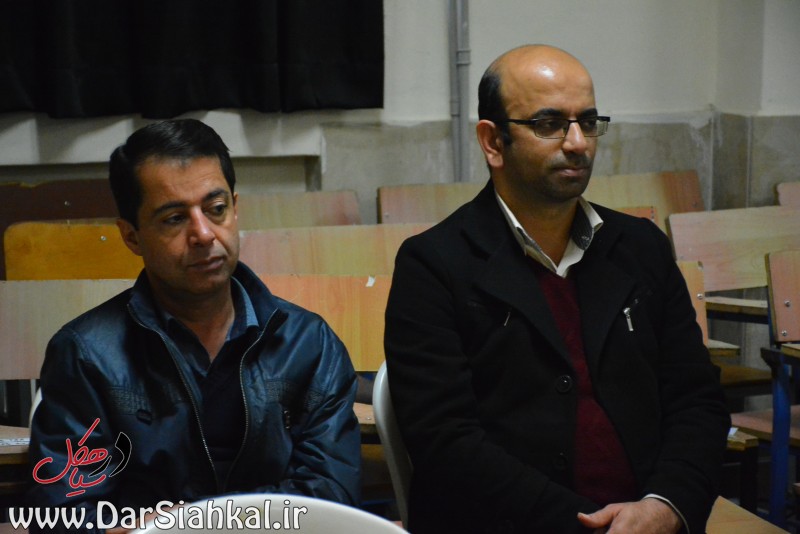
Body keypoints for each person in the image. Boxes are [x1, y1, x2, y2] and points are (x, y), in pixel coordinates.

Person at [384, 45, 730, 533]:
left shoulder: (640, 247)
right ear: (493, 141)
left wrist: (666, 505)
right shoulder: (434, 264)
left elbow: (697, 400)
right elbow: (445, 441)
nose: (578, 143)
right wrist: (587, 527)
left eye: (587, 122)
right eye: (550, 124)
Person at [28, 119, 361, 533]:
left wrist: (191, 523)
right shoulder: (86, 354)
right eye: (174, 219)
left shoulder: (308, 343)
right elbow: (64, 516)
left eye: (216, 209)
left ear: (235, 208)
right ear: (131, 237)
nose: (203, 234)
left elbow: (331, 495)